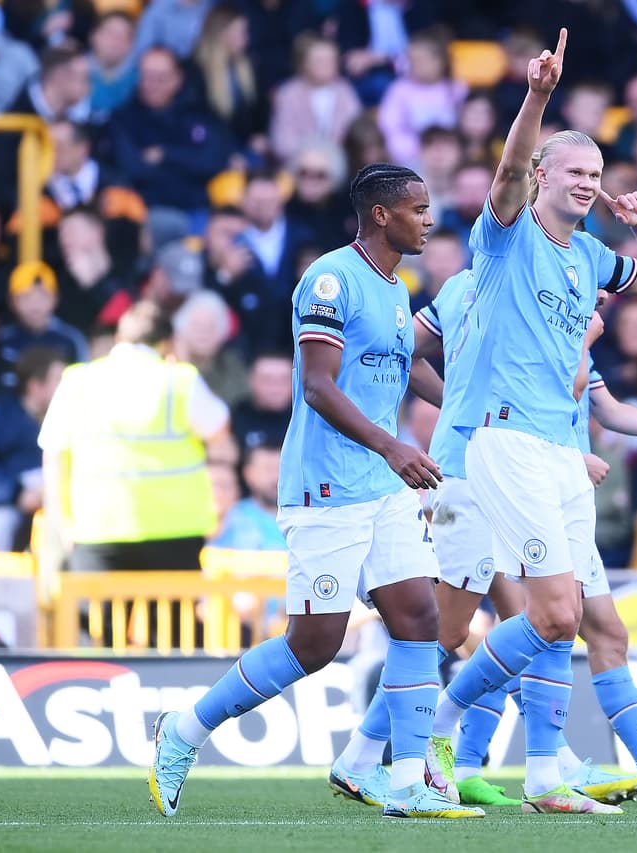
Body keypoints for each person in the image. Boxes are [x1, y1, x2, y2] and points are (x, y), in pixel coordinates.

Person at [147, 164, 484, 821]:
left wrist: (460, 412)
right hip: (326, 485)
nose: (428, 219)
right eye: (417, 208)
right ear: (381, 214)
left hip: (382, 486)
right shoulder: (330, 279)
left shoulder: (395, 288)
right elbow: (319, 386)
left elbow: (405, 362)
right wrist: (391, 444)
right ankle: (184, 728)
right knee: (315, 643)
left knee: (419, 618)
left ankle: (408, 781)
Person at [330, 272, 637, 809]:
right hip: (479, 475)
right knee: (458, 629)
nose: (597, 293)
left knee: (553, 620)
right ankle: (396, 750)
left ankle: (539, 764)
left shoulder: (537, 302)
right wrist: (470, 405)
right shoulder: (508, 293)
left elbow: (586, 392)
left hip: (531, 480)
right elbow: (552, 386)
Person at [424, 29, 637, 816]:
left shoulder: (590, 256)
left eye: (596, 174)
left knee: (558, 619)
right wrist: (536, 95)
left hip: (564, 450)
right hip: (504, 440)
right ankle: (438, 729)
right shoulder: (507, 238)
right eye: (575, 170)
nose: (587, 183)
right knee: (554, 613)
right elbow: (504, 172)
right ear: (543, 173)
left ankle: (542, 775)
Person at [38, 300, 229, 574]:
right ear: (169, 343)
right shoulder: (180, 380)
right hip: (174, 529)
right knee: (171, 618)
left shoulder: (77, 381)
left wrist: (62, 523)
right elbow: (219, 430)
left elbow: (53, 455)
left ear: (119, 337)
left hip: (96, 527)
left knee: (95, 617)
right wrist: (181, 362)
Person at [0, 347, 65, 551]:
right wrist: (16, 494)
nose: (64, 386)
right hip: (7, 505)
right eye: (57, 379)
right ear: (35, 386)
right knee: (6, 525)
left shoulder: (70, 416)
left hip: (60, 503)